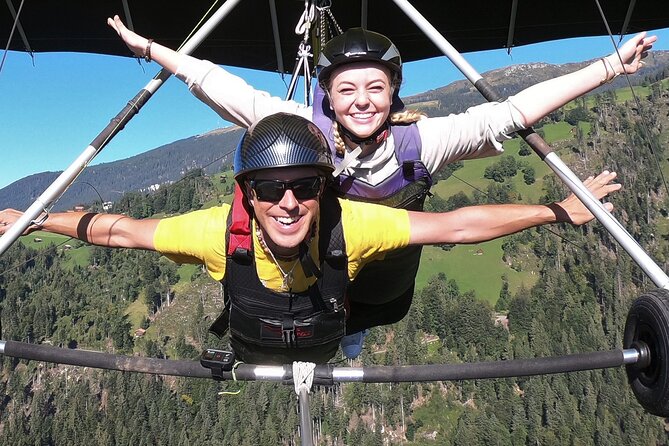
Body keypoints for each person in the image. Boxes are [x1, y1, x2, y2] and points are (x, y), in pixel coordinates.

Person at [111, 17, 652, 356]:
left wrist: (609, 67)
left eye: (377, 87)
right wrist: (151, 48)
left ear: (394, 93)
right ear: (327, 96)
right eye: (347, 89)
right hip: (317, 277)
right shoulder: (301, 129)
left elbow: (509, 114)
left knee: (368, 314)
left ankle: (351, 332)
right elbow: (213, 82)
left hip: (382, 282)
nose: (362, 101)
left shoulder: (424, 141)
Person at [0, 113, 620, 365]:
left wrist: (558, 210)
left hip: (322, 326)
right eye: (270, 190)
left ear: (325, 188)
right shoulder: (219, 231)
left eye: (304, 186)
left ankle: (346, 334)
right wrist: (35, 218)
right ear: (247, 194)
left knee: (349, 321)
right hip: (255, 340)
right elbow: (122, 232)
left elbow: (459, 226)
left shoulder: (354, 223)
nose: (288, 202)